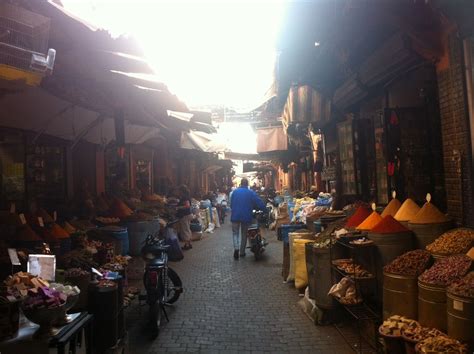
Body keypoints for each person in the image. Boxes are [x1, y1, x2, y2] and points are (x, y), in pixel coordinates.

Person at [230, 178, 266, 260]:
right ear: (247, 184)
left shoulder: (235, 192)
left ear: (240, 184)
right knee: (244, 234)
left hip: (235, 216)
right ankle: (242, 252)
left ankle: (236, 249)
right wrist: (265, 209)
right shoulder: (250, 193)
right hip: (246, 216)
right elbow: (258, 202)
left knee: (235, 233)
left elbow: (231, 204)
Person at [177, 185, 193, 250]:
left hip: (185, 215)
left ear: (181, 191)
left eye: (179, 190)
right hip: (188, 214)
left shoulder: (185, 197)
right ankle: (189, 243)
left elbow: (187, 205)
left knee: (185, 230)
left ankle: (187, 245)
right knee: (187, 229)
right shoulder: (187, 196)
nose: (178, 192)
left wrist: (178, 207)